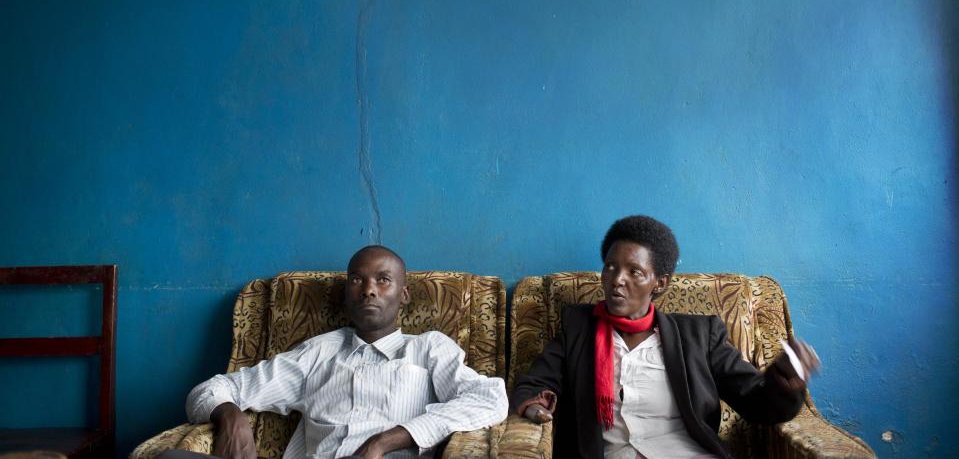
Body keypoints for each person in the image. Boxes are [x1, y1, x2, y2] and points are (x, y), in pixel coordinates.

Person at [511, 215, 820, 459]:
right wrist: (537, 406)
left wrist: (783, 380)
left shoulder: (700, 335)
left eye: (634, 272)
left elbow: (755, 402)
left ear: (659, 282)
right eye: (610, 267)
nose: (617, 280)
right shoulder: (579, 328)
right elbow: (535, 383)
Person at [159, 245, 508, 459]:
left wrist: (385, 442)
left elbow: (490, 399)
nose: (369, 290)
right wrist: (231, 418)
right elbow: (208, 391)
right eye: (357, 279)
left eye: (383, 280)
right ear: (346, 292)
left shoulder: (427, 349)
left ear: (403, 295)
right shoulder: (318, 352)